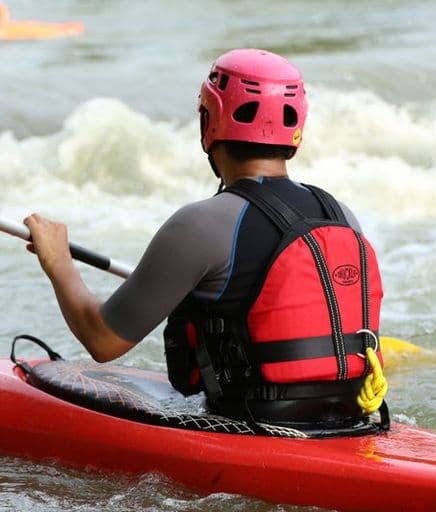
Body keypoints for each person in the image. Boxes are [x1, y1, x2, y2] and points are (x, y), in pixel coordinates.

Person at [25, 49, 387, 433]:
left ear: (208, 121)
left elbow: (102, 339)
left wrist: (58, 262)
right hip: (352, 422)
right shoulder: (340, 213)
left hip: (253, 427)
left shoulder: (200, 224)